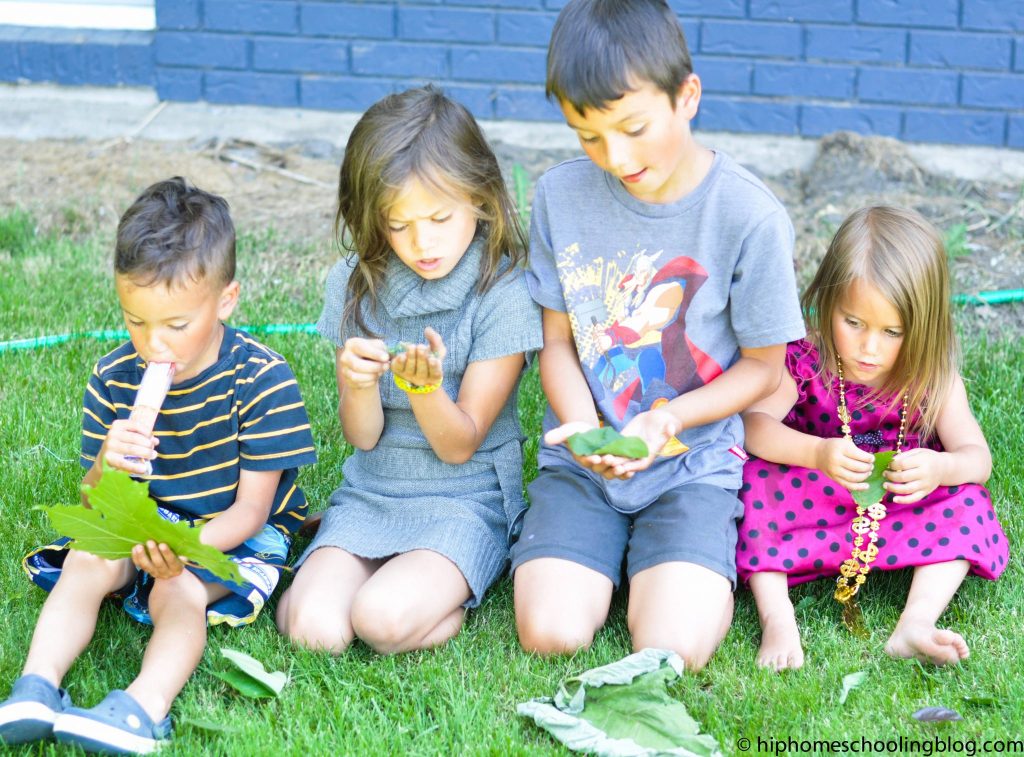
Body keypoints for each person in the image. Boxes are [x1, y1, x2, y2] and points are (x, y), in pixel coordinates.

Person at [509, 0, 805, 670]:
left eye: (634, 128)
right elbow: (556, 342)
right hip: (583, 467)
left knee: (671, 648)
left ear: (687, 96)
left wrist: (664, 419)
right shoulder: (559, 196)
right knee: (550, 632)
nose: (615, 156)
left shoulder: (750, 217)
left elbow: (764, 369)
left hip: (692, 465)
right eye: (588, 135)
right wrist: (588, 434)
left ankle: (667, 568)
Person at [0, 177, 317, 753]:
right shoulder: (114, 375)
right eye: (135, 321)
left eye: (176, 325)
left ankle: (143, 708)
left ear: (226, 300)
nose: (154, 345)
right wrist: (105, 460)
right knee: (87, 561)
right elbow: (96, 498)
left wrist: (181, 546)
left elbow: (251, 511)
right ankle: (36, 685)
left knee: (179, 592)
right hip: (147, 516)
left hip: (226, 531)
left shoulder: (262, 379)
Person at [276, 85, 542, 655]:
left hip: (465, 497)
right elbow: (363, 436)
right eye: (398, 225)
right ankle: (377, 577)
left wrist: (424, 390)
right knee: (312, 631)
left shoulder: (503, 290)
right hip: (375, 490)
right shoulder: (356, 282)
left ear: (481, 197)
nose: (422, 242)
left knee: (378, 619)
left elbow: (459, 444)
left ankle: (454, 583)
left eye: (440, 218)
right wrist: (355, 384)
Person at [738, 206, 1008, 671]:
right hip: (815, 499)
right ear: (827, 303)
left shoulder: (934, 378)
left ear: (922, 326)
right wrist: (816, 452)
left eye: (892, 332)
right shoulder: (807, 360)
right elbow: (752, 426)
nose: (869, 347)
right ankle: (777, 617)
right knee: (754, 483)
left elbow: (976, 458)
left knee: (968, 502)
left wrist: (940, 468)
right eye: (854, 322)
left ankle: (917, 621)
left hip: (900, 503)